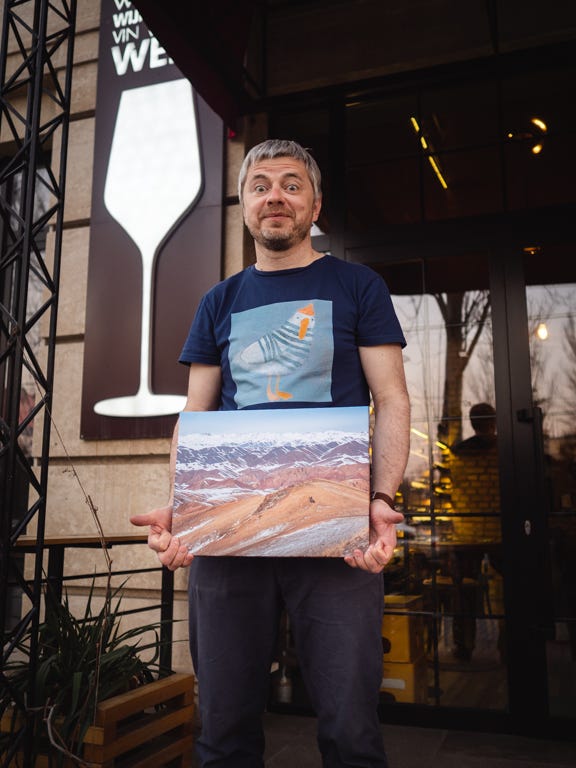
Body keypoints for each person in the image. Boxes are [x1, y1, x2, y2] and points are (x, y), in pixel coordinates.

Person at [130, 139, 411, 768]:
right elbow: (195, 415)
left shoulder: (357, 285)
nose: (275, 196)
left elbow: (391, 399)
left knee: (350, 729)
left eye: (291, 184)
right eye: (260, 185)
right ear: (244, 205)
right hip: (231, 529)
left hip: (337, 529)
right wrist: (184, 509)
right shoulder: (219, 301)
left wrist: (382, 499)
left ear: (316, 204)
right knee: (223, 728)